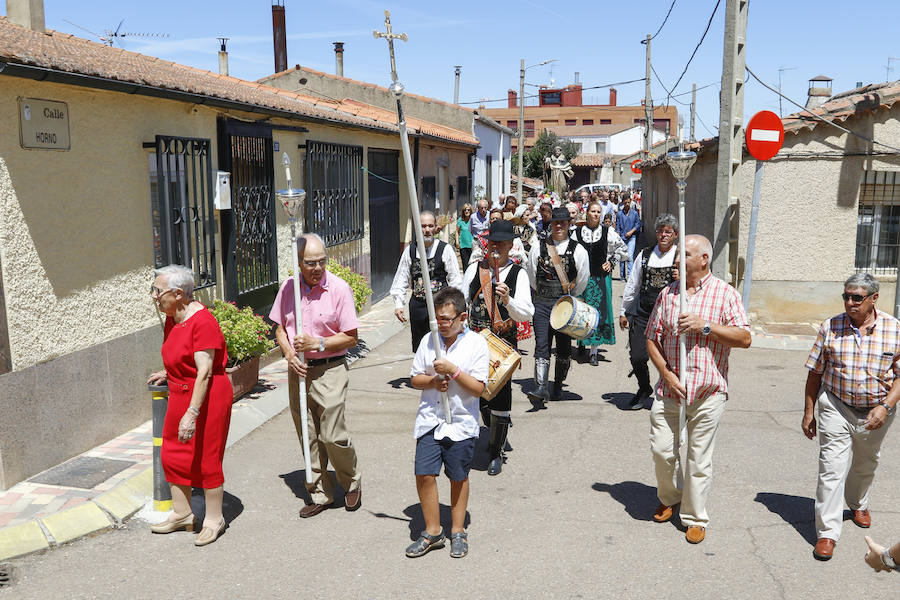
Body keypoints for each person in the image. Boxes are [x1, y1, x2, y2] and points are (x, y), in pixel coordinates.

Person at [646, 235, 751, 545]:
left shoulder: (725, 294)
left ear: (704, 259)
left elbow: (744, 338)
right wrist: (666, 372)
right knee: (662, 451)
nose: (679, 260)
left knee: (698, 458)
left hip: (708, 391)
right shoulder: (668, 294)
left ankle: (694, 517)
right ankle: (671, 497)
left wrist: (706, 326)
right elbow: (652, 338)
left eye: (686, 255)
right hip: (671, 388)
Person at [803, 273, 899, 561]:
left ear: (874, 298)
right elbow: (815, 372)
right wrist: (809, 411)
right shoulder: (830, 327)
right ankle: (827, 534)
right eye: (846, 296)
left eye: (857, 297)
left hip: (876, 410)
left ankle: (857, 502)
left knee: (866, 462)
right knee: (830, 468)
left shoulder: (894, 329)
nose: (849, 302)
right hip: (836, 405)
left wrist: (886, 406)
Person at [270, 234, 363, 518]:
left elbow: (351, 337)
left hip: (330, 368)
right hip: (299, 370)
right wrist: (288, 353)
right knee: (308, 433)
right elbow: (279, 329)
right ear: (298, 263)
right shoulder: (289, 288)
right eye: (310, 263)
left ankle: (351, 481)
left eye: (322, 261)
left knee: (332, 434)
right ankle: (320, 492)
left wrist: (317, 343)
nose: (317, 268)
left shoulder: (338, 289)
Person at [147, 265, 233, 546]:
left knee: (206, 457)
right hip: (180, 390)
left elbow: (205, 372)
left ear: (179, 293)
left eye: (158, 291)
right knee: (172, 453)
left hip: (207, 396)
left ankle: (213, 519)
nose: (154, 296)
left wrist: (192, 414)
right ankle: (183, 514)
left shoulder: (203, 322)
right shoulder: (174, 318)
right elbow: (180, 354)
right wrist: (168, 371)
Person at [407, 287, 489, 559]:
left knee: (458, 476)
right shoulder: (429, 341)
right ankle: (432, 531)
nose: (441, 325)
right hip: (431, 418)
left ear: (462, 317)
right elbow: (415, 378)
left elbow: (478, 388)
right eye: (438, 319)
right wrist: (433, 380)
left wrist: (453, 371)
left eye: (447, 319)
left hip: (461, 421)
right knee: (424, 473)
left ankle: (457, 530)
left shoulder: (476, 344)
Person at [463, 220, 534, 475]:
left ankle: (496, 452)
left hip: (502, 345)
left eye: (501, 244)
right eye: (492, 242)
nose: (496, 247)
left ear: (510, 246)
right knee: (480, 395)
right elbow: (462, 302)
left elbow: (526, 313)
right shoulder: (475, 269)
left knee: (501, 397)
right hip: (474, 343)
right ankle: (493, 433)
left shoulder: (518, 274)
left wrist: (508, 299)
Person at [525, 207, 590, 406]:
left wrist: (569, 297)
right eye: (555, 223)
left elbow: (582, 280)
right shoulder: (539, 247)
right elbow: (531, 274)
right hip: (543, 303)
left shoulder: (578, 250)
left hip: (565, 306)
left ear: (569, 225)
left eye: (562, 223)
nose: (559, 226)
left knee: (563, 348)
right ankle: (541, 386)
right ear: (550, 224)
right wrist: (543, 293)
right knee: (542, 344)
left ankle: (558, 385)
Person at [619, 214, 679, 410]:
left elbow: (695, 283)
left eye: (668, 232)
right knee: (637, 356)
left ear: (675, 235)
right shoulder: (644, 255)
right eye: (660, 231)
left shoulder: (680, 258)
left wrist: (683, 276)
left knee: (670, 359)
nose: (663, 235)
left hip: (669, 316)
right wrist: (623, 311)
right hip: (644, 313)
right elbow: (633, 284)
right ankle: (644, 388)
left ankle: (670, 395)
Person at [391, 211, 464, 352]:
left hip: (442, 307)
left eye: (430, 226)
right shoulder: (410, 251)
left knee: (442, 343)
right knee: (420, 347)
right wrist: (399, 304)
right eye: (423, 226)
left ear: (436, 227)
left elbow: (455, 279)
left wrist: (458, 305)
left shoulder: (445, 249)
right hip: (418, 306)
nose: (427, 230)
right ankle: (423, 373)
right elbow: (401, 277)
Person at [574, 202, 628, 365]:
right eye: (593, 211)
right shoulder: (576, 232)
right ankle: (582, 342)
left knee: (597, 313)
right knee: (582, 311)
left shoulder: (608, 232)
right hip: (582, 279)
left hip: (600, 278)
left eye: (598, 212)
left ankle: (594, 351)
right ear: (587, 213)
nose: (596, 214)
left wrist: (611, 262)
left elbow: (623, 249)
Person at [615, 194, 641, 280]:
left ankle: (630, 276)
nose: (627, 204)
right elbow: (617, 226)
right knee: (622, 257)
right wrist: (618, 236)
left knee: (629, 256)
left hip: (632, 237)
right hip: (622, 238)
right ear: (622, 203)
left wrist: (631, 231)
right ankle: (622, 276)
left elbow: (638, 224)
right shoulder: (619, 214)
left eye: (628, 203)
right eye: (625, 203)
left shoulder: (634, 213)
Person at [456, 203, 475, 268]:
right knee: (465, 264)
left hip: (472, 245)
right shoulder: (460, 220)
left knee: (472, 264)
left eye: (468, 210)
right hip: (463, 245)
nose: (466, 211)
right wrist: (457, 242)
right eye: (465, 210)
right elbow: (457, 232)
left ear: (471, 211)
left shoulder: (473, 220)